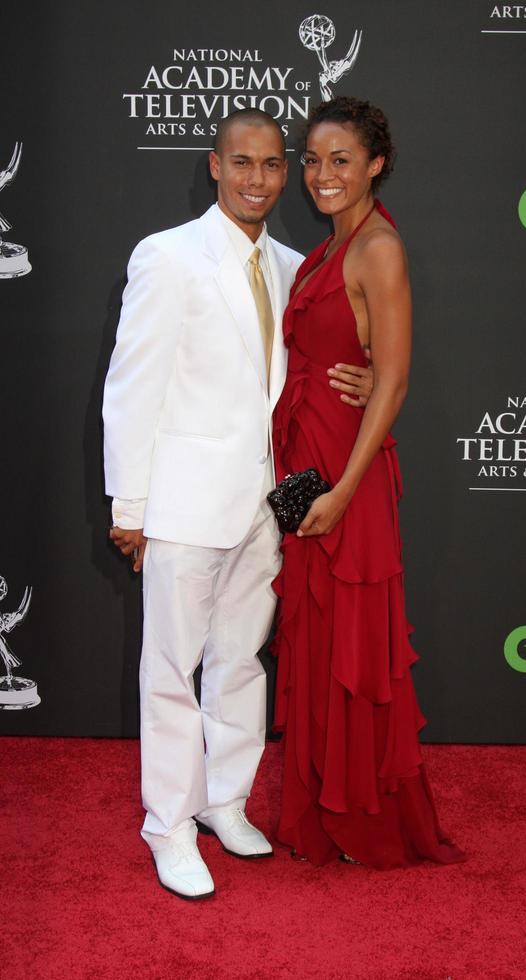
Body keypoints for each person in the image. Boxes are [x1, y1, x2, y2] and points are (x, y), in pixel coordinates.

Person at [103, 109, 373, 900]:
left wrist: (358, 381)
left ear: (286, 174)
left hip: (267, 505)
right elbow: (132, 384)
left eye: (272, 165)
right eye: (242, 163)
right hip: (185, 504)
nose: (258, 178)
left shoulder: (298, 265)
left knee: (240, 664)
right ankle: (170, 826)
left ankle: (225, 802)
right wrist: (131, 503)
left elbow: (314, 367)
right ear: (214, 166)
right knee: (170, 670)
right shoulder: (167, 256)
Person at [271, 96, 465, 869]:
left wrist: (343, 493)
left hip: (346, 481)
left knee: (351, 649)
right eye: (312, 160)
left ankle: (360, 817)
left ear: (375, 164)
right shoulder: (326, 247)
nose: (321, 175)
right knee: (316, 643)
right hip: (308, 469)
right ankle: (323, 804)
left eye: (340, 160)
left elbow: (395, 380)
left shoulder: (377, 247)